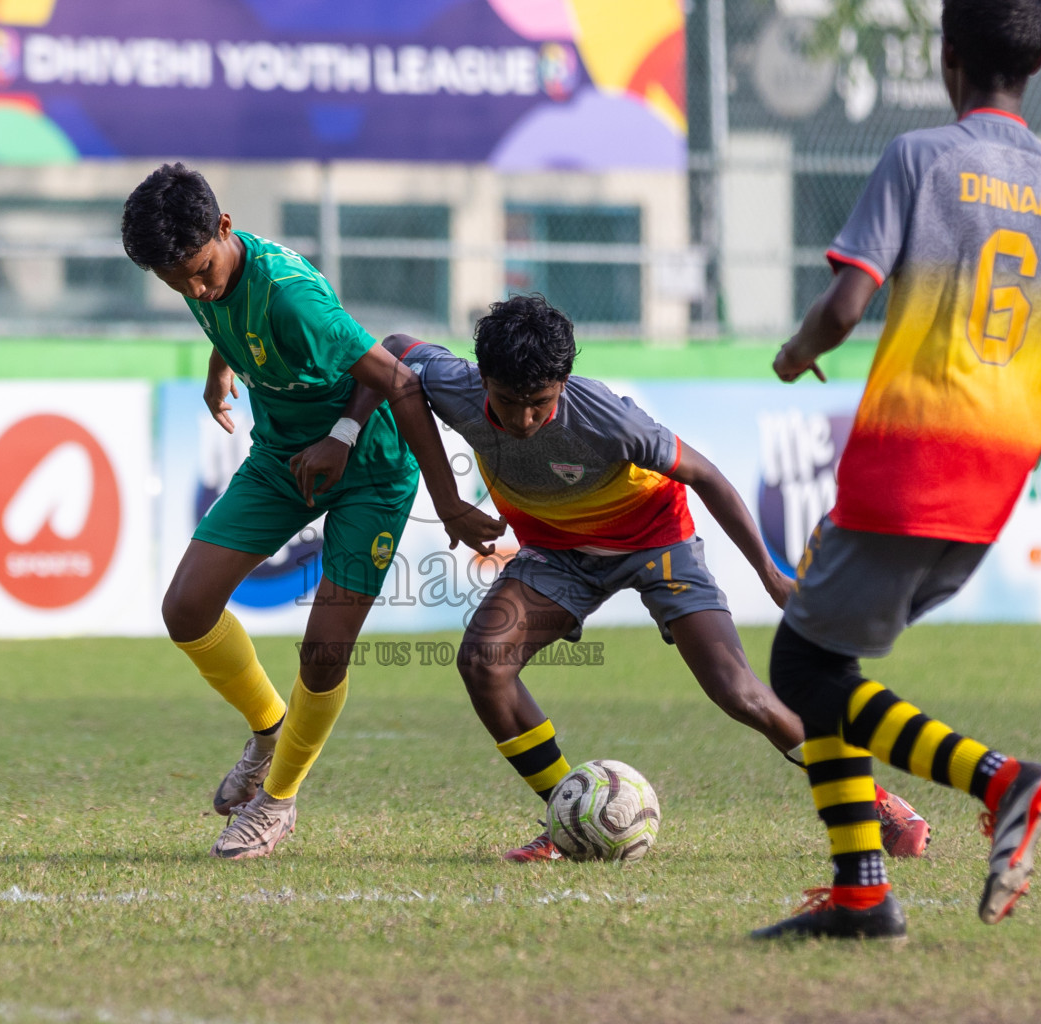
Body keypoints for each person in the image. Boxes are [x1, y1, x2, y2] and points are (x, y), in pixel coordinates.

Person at [752, 0, 1041, 940]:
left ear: (947, 58)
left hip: (908, 455)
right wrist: (1036, 433)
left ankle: (1002, 781)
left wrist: (799, 352)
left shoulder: (921, 158)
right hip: (993, 479)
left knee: (800, 666)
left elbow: (847, 306)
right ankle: (861, 898)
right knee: (829, 656)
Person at [346, 295, 929, 862]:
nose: (523, 420)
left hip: (657, 543)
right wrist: (350, 437)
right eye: (507, 401)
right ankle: (569, 819)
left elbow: (708, 477)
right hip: (557, 551)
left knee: (739, 692)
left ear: (565, 384)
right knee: (483, 662)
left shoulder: (608, 418)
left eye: (540, 403)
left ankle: (870, 800)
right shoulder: (454, 383)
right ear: (483, 381)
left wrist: (772, 576)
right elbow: (392, 353)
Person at [120, 163, 505, 860]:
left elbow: (399, 378)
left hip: (371, 472)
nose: (196, 289)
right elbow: (222, 312)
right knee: (186, 609)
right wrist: (221, 366)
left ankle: (277, 803)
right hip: (282, 459)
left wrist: (447, 505)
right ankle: (269, 731)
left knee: (323, 653)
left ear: (226, 229)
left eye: (201, 272)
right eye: (178, 282)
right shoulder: (196, 265)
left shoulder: (294, 302)